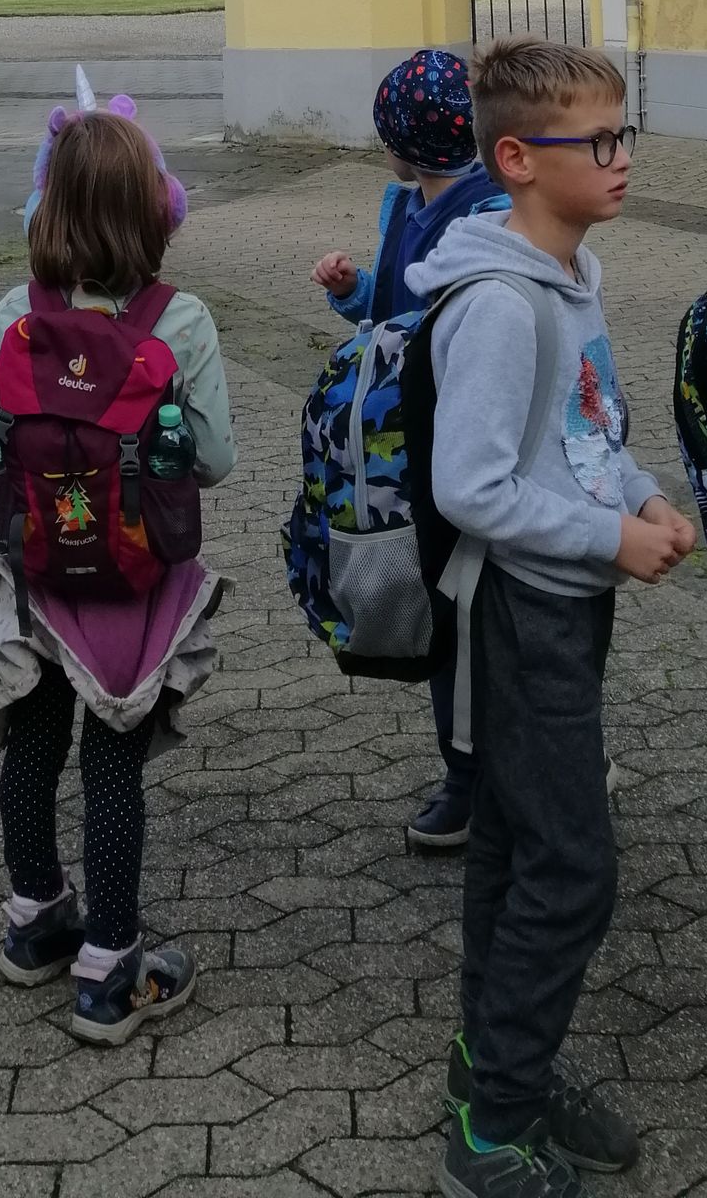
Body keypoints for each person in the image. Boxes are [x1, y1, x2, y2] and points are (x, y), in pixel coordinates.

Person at [428, 37, 693, 1198]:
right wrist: (606, 537)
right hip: (524, 611)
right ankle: (491, 1129)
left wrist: (640, 495)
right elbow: (470, 487)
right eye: (600, 142)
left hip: (567, 600)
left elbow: (589, 427)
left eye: (623, 134)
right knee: (574, 868)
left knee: (514, 840)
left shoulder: (573, 271)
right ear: (518, 159)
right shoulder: (499, 303)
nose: (622, 157)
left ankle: (493, 1066)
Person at [0, 103, 236, 1048]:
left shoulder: (16, 310)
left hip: (34, 572)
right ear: (158, 210)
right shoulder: (181, 319)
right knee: (113, 758)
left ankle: (35, 918)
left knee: (33, 745)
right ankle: (112, 966)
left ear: (46, 204)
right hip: (133, 581)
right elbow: (216, 460)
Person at [311, 47, 507, 851]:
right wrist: (353, 293)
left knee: (464, 618)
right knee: (440, 610)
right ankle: (500, 763)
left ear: (406, 140)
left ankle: (476, 779)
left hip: (463, 440)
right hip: (407, 443)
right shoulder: (407, 205)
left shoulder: (489, 216)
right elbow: (389, 314)